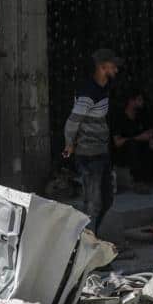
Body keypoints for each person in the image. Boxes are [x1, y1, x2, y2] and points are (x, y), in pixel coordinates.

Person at [63, 48, 120, 232]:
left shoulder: (103, 88)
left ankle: (93, 239)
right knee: (93, 203)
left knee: (106, 198)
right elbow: (73, 122)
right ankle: (87, 245)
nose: (116, 70)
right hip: (89, 155)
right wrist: (69, 144)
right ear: (103, 68)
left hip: (101, 152)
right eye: (113, 67)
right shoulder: (88, 94)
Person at [110, 90, 153, 191]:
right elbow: (117, 142)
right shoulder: (119, 118)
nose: (142, 102)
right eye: (139, 100)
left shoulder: (142, 114)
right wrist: (138, 138)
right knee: (133, 144)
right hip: (124, 151)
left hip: (142, 148)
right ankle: (138, 181)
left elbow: (152, 131)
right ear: (131, 101)